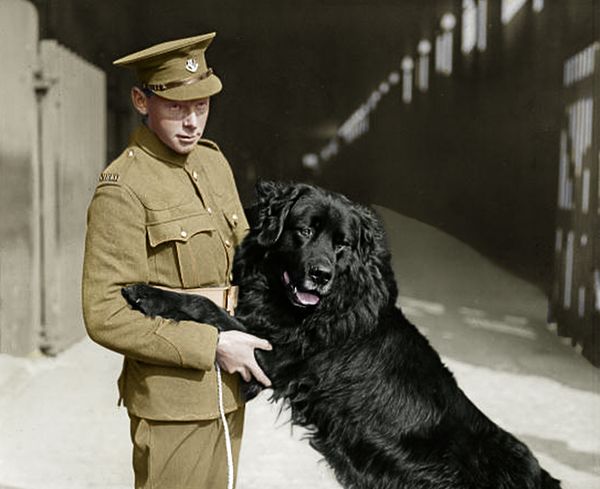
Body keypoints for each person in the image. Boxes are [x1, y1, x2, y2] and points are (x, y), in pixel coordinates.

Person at [82, 32, 271, 489]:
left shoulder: (212, 163)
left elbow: (245, 259)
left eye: (201, 107)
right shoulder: (123, 188)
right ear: (141, 101)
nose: (192, 123)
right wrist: (212, 346)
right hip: (171, 402)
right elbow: (104, 314)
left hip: (228, 390)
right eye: (177, 108)